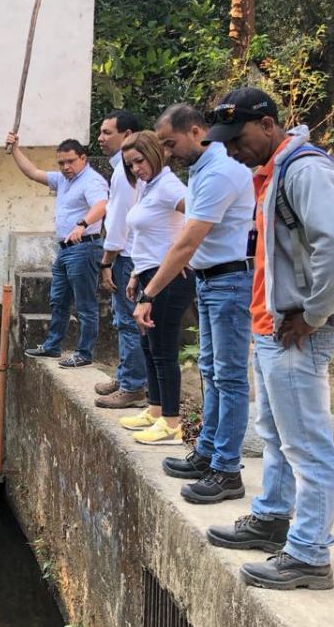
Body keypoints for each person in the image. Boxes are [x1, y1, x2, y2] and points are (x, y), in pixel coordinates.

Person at [203, 88, 334, 591]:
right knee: (274, 433)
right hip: (272, 326)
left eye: (239, 137)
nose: (231, 149)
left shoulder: (305, 171)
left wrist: (314, 314)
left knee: (307, 445)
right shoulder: (272, 172)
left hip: (297, 332)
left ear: (269, 124)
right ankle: (272, 517)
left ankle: (310, 554)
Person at [133, 104, 255, 504]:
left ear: (197, 130)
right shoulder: (203, 170)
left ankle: (226, 470)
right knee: (210, 370)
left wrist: (148, 293)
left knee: (230, 377)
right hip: (209, 281)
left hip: (229, 281)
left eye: (170, 143)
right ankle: (206, 452)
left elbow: (187, 240)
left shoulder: (221, 172)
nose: (167, 152)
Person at [115, 132, 193, 444]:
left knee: (162, 349)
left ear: (154, 154)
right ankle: (156, 409)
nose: (135, 168)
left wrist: (188, 253)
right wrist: (135, 274)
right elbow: (145, 237)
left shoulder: (170, 186)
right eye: (130, 164)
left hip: (169, 278)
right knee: (149, 345)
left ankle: (171, 423)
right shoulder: (150, 188)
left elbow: (200, 216)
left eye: (139, 160)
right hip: (148, 273)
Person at [7, 133, 108, 368]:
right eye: (61, 163)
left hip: (84, 247)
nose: (65, 167)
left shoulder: (92, 181)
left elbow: (102, 205)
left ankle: (84, 353)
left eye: (70, 161)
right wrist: (15, 150)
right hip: (64, 249)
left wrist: (82, 225)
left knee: (84, 304)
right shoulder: (64, 180)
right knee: (57, 300)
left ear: (83, 158)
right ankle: (52, 346)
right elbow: (33, 173)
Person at [94, 111, 149, 409]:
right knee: (126, 320)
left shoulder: (124, 172)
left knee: (129, 322)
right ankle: (127, 374)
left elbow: (118, 221)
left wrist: (106, 261)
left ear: (127, 134)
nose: (100, 139)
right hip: (131, 254)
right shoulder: (124, 170)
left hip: (127, 255)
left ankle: (132, 386)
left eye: (107, 132)